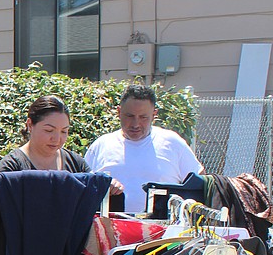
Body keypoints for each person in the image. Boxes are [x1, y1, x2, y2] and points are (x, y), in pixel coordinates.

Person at [84, 84, 203, 213]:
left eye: (143, 117)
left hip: (163, 230)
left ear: (154, 114)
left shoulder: (173, 143)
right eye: (129, 116)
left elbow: (199, 184)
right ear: (119, 112)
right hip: (111, 229)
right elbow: (84, 187)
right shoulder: (101, 146)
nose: (135, 124)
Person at [0, 96, 90, 174]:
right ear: (30, 125)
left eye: (64, 131)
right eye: (49, 130)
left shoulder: (77, 165)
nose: (57, 139)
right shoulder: (11, 167)